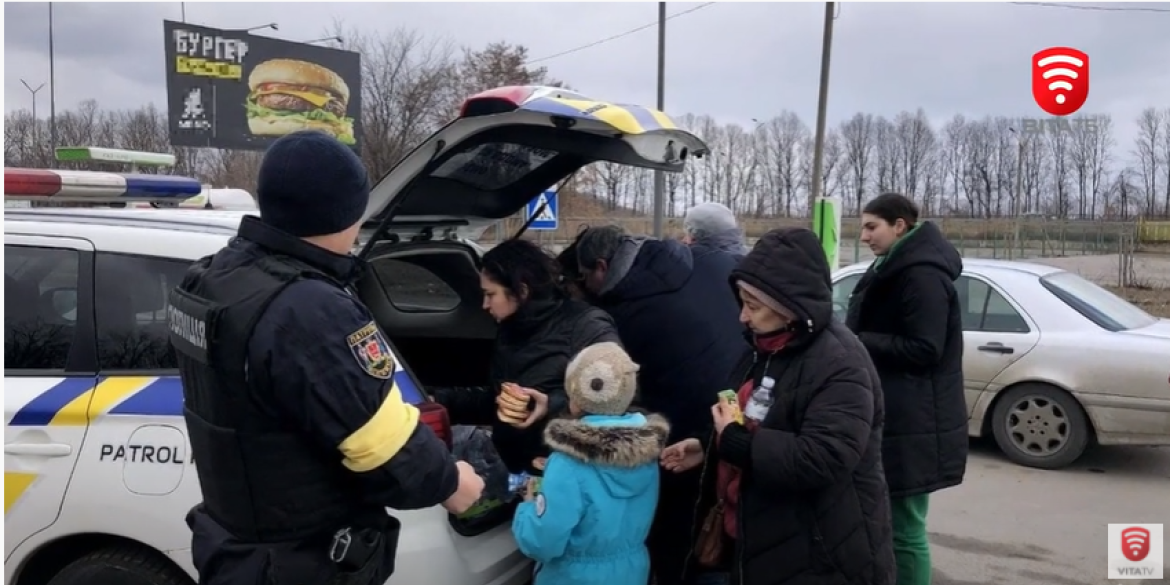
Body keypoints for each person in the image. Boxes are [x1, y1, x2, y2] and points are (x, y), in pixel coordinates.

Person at [168, 130, 485, 585]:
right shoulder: (308, 309)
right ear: (349, 213)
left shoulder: (215, 275)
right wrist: (452, 483)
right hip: (301, 563)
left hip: (236, 549)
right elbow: (379, 443)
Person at [661, 227, 895, 585]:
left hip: (819, 552)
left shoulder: (841, 363)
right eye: (742, 302)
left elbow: (824, 456)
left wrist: (736, 443)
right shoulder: (765, 346)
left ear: (789, 308)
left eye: (753, 306)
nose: (742, 316)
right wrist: (707, 445)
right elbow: (751, 418)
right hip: (765, 540)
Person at [573, 224, 746, 585]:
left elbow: (616, 388)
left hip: (685, 441)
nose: (584, 285)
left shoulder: (626, 314)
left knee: (679, 541)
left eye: (583, 276)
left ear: (602, 267)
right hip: (739, 417)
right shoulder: (709, 260)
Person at [845, 193, 967, 585]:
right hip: (898, 411)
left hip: (915, 419)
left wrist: (858, 339)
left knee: (906, 529)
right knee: (890, 522)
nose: (864, 236)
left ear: (900, 226)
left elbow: (926, 348)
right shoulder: (894, 265)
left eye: (871, 226)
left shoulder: (922, 275)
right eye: (862, 226)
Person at [432, 238, 620, 475]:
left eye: (490, 294)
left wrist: (552, 405)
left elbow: (616, 395)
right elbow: (500, 401)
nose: (484, 305)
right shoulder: (511, 329)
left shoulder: (586, 325)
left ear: (521, 290)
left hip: (564, 476)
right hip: (516, 473)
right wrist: (441, 401)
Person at [512, 341, 670, 585]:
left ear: (576, 396)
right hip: (631, 573)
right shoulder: (647, 452)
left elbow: (543, 543)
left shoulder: (568, 461)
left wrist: (528, 507)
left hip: (572, 577)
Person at [681, 202, 749, 258]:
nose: (683, 240)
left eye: (688, 233)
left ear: (697, 234)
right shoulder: (748, 258)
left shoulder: (693, 263)